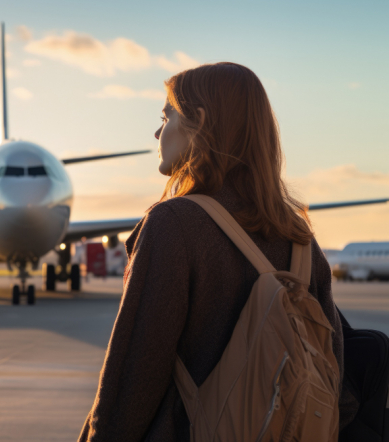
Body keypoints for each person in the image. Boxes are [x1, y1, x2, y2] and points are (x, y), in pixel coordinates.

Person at [78, 62, 357, 441]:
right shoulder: (300, 240)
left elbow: (132, 380)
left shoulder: (174, 225)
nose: (158, 131)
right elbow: (332, 368)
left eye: (167, 115)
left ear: (199, 123)